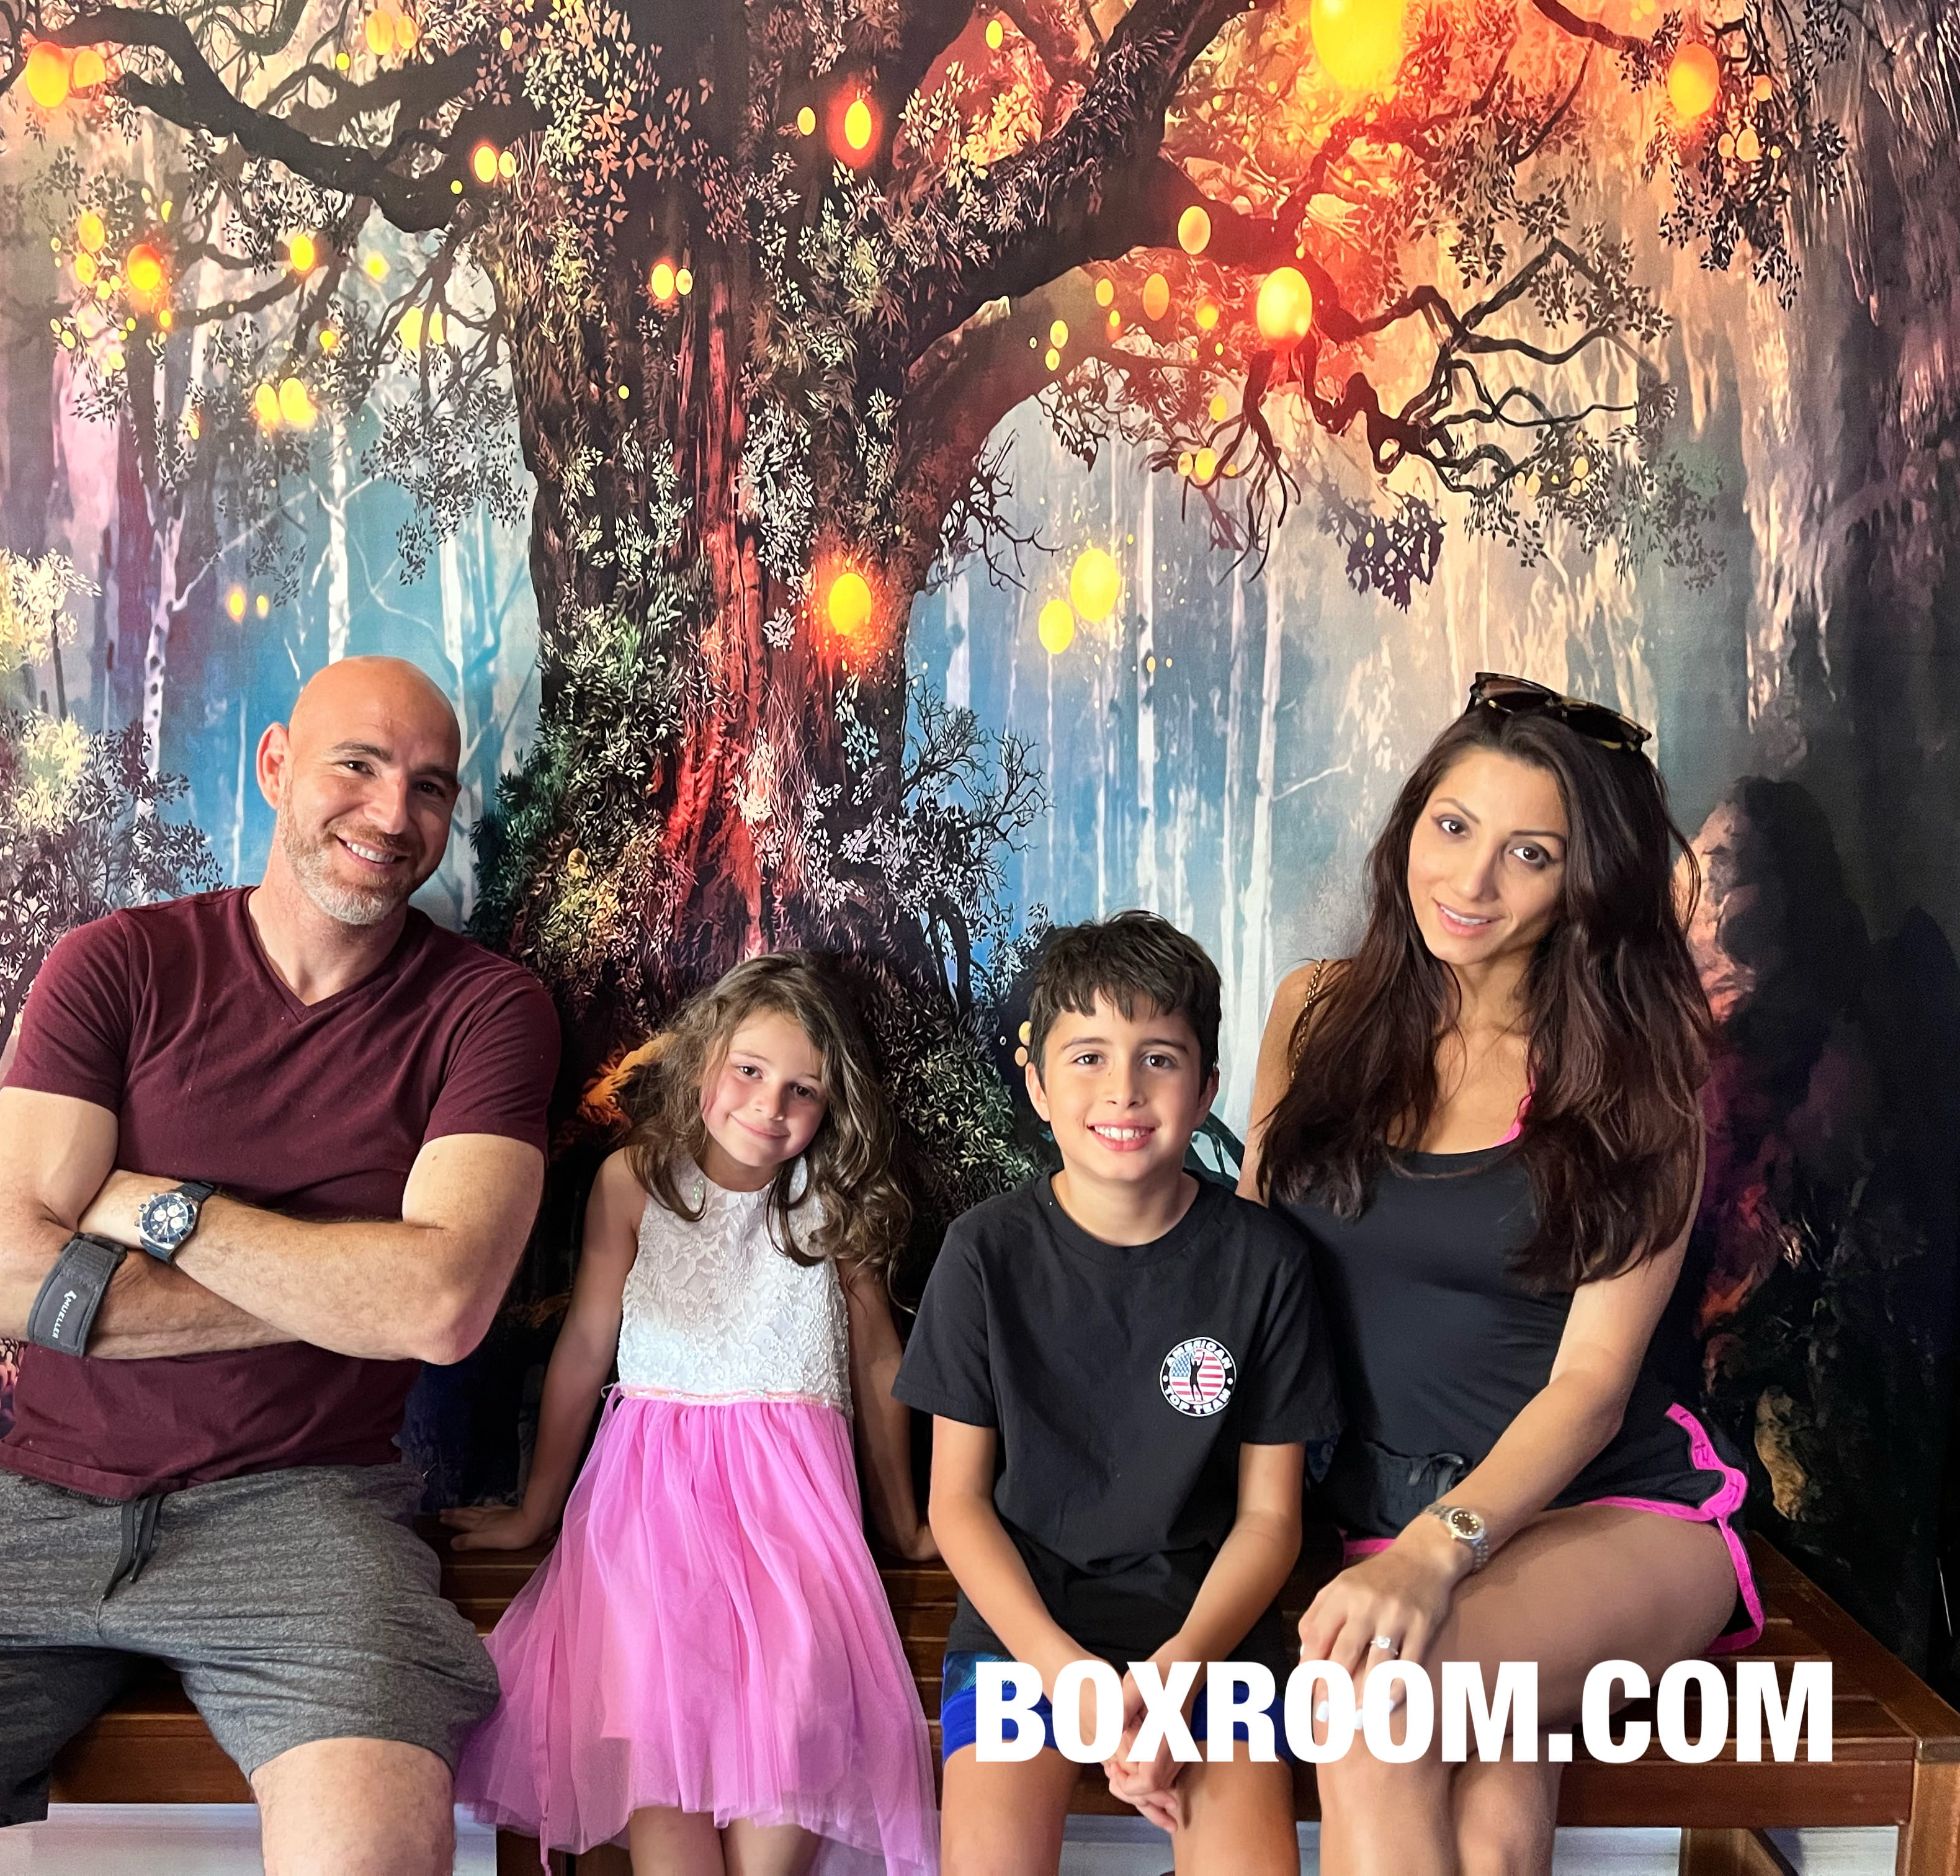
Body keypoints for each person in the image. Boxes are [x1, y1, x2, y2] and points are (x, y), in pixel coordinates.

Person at [0, 656, 561, 1876]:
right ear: (276, 766)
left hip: (308, 1514)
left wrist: (159, 1208)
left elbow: (441, 1305)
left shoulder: (488, 1012)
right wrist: (345, 1285)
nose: (391, 812)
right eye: (357, 765)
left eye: (428, 786)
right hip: (33, 1507)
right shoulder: (118, 965)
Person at [1242, 672, 1760, 1876]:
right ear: (1410, 824)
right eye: (1453, 826)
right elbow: (1249, 1274)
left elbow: (1592, 1388)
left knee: (1378, 1704)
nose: (1471, 882)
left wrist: (1441, 1548)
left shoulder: (1638, 1074)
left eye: (1531, 855)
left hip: (1599, 1511)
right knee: (1488, 1834)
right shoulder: (1315, 1014)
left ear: (1588, 885)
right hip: (1381, 1517)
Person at [443, 954, 938, 1876]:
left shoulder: (830, 1202)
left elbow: (879, 1364)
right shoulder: (635, 1180)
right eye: (749, 1070)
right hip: (650, 1511)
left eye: (802, 1090)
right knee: (656, 1729)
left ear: (830, 1105)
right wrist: (535, 1509)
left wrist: (904, 1523)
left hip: (793, 1521)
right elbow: (585, 1346)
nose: (769, 1106)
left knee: (794, 1709)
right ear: (706, 1057)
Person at [898, 911, 1342, 1876]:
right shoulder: (984, 1253)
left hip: (1211, 1637)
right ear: (1038, 1085)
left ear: (1207, 1087)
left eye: (1159, 1060)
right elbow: (957, 1504)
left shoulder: (1264, 1262)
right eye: (1089, 1057)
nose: (1124, 1091)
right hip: (1025, 1633)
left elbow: (1272, 1519)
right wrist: (1070, 1677)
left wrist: (1175, 1675)